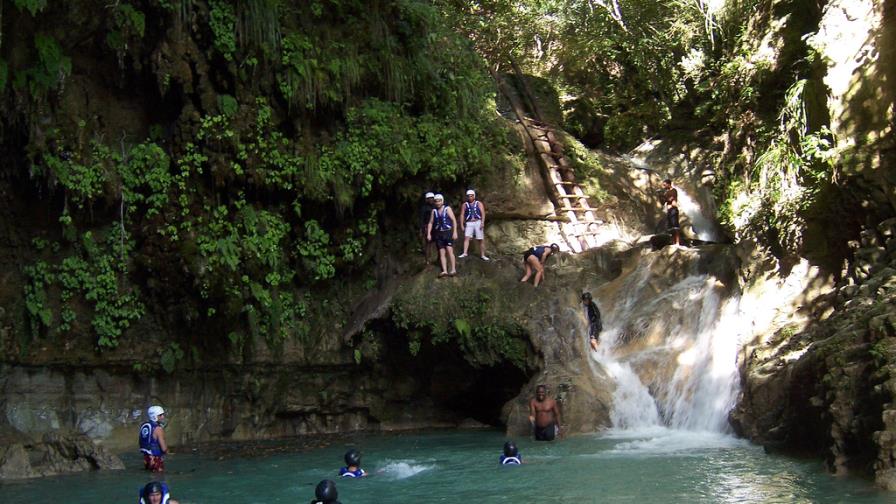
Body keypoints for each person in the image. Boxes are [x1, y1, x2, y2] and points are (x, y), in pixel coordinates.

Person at [426, 194, 458, 278]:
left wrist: (455, 232)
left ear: (442, 201)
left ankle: (453, 269)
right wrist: (429, 233)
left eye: (439, 201)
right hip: (438, 233)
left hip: (447, 232)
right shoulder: (434, 211)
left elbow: (453, 220)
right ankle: (444, 270)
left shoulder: (447, 209)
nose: (438, 203)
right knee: (441, 252)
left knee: (449, 250)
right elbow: (430, 222)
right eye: (436, 201)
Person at [459, 189, 489, 261]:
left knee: (480, 239)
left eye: (471, 196)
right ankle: (465, 252)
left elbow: (483, 213)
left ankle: (483, 255)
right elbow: (462, 215)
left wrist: (482, 222)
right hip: (469, 222)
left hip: (477, 221)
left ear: (474, 196)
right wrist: (462, 225)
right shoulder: (465, 205)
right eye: (468, 196)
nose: (470, 197)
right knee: (467, 237)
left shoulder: (479, 203)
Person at [139, 405, 169, 472]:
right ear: (154, 416)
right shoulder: (158, 429)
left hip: (146, 457)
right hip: (155, 458)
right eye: (160, 415)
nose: (163, 417)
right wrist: (167, 452)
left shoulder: (144, 425)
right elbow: (163, 448)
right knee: (158, 477)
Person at [662, 179, 680, 246]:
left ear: (669, 184)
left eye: (664, 185)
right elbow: (663, 202)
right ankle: (673, 242)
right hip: (669, 210)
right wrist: (661, 197)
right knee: (670, 227)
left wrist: (665, 198)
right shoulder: (666, 192)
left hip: (673, 209)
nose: (663, 186)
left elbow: (671, 199)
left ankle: (677, 243)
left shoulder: (673, 190)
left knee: (675, 227)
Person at [420, 192, 436, 264]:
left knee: (438, 242)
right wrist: (423, 228)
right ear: (426, 199)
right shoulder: (424, 208)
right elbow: (422, 218)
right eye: (429, 198)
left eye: (432, 198)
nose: (431, 200)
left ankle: (438, 258)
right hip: (427, 226)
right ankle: (428, 260)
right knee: (428, 243)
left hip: (436, 226)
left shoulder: (436, 206)